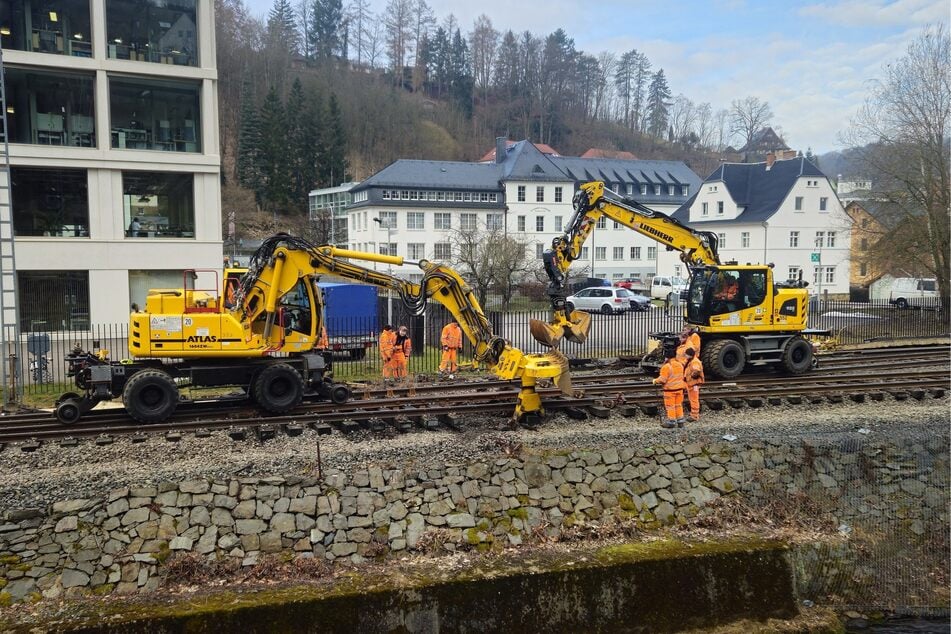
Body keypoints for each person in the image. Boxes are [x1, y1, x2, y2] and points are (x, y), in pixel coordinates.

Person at [652, 346, 685, 428]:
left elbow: (663, 380)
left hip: (670, 391)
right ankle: (680, 421)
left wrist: (655, 380)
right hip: (680, 389)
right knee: (678, 405)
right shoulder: (680, 365)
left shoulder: (666, 367)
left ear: (667, 357)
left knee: (670, 406)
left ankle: (671, 422)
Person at [683, 347, 705, 422]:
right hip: (691, 384)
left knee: (694, 400)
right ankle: (694, 415)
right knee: (693, 399)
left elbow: (697, 371)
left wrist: (692, 376)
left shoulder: (694, 362)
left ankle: (695, 416)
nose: (685, 356)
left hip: (694, 384)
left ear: (690, 355)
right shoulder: (691, 360)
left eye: (686, 354)